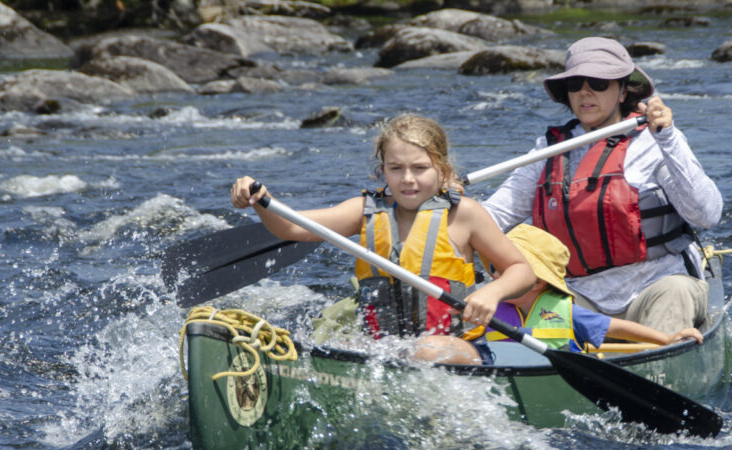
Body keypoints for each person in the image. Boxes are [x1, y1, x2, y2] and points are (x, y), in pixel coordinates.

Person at [230, 113, 536, 365]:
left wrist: (492, 293)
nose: (408, 179)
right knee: (340, 347)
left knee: (425, 350)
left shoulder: (464, 214)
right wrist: (260, 200)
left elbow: (521, 271)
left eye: (420, 168)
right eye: (396, 168)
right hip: (385, 350)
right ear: (383, 172)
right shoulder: (364, 211)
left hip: (455, 348)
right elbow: (291, 228)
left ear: (442, 171)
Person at [482, 36, 722, 334]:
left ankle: (665, 351)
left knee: (676, 291)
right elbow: (493, 217)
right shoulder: (547, 150)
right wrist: (449, 210)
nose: (585, 92)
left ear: (623, 91)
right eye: (575, 85)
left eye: (598, 83)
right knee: (530, 308)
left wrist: (668, 138)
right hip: (579, 292)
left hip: (658, 283)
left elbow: (706, 215)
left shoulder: (654, 140)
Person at [479, 224, 702, 364]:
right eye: (494, 267)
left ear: (537, 282)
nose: (494, 276)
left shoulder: (568, 313)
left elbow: (616, 328)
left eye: (504, 271)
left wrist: (666, 339)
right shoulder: (488, 308)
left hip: (559, 379)